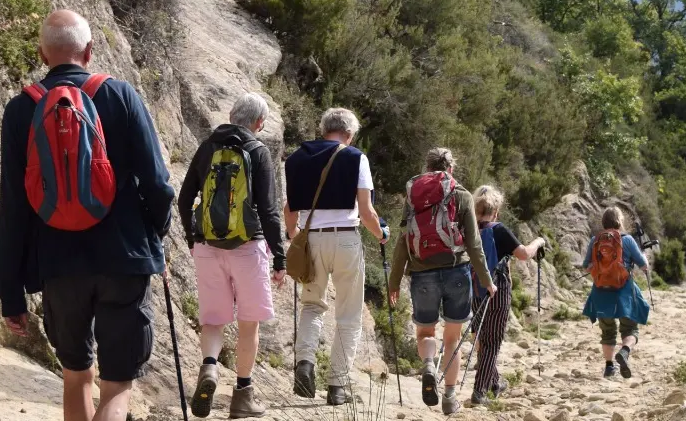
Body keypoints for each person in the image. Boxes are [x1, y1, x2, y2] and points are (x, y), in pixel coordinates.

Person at [0, 9, 176, 421]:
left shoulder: (21, 110)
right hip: (124, 258)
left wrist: (12, 292)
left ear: (43, 54)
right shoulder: (120, 95)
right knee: (117, 387)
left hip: (58, 264)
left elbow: (14, 206)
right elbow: (158, 182)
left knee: (76, 375)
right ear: (90, 51)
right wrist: (155, 239)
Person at [177, 93, 286, 418]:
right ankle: (242, 395)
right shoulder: (257, 151)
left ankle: (209, 368)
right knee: (248, 323)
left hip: (208, 247)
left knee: (213, 319)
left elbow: (185, 199)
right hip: (247, 247)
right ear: (259, 122)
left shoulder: (208, 146)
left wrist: (193, 239)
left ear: (231, 114)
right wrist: (279, 258)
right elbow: (268, 210)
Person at [284, 107, 388, 406]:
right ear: (350, 134)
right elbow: (367, 211)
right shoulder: (356, 157)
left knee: (312, 306)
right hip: (345, 240)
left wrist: (295, 237)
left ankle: (305, 364)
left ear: (323, 128)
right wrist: (381, 233)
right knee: (349, 316)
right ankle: (337, 387)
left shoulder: (297, 158)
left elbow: (289, 209)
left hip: (311, 240)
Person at [386, 148, 494, 415]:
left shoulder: (413, 194)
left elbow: (403, 240)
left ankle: (429, 365)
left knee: (425, 333)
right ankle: (449, 396)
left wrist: (394, 281)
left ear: (427, 166)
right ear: (451, 168)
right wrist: (487, 280)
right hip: (457, 271)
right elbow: (474, 243)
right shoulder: (462, 195)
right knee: (452, 338)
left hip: (422, 273)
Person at [468, 186, 546, 406]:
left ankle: (494, 383)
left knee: (482, 337)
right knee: (492, 341)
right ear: (496, 209)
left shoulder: (470, 228)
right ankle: (480, 391)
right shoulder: (499, 229)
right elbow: (523, 254)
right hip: (498, 287)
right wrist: (539, 241)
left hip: (474, 288)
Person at [581, 206, 651, 379]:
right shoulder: (627, 240)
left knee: (607, 330)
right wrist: (644, 256)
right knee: (630, 328)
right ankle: (625, 352)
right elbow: (644, 265)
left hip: (601, 291)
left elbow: (587, 265)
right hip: (624, 292)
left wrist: (601, 272)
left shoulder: (595, 240)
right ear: (620, 221)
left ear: (604, 222)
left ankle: (609, 366)